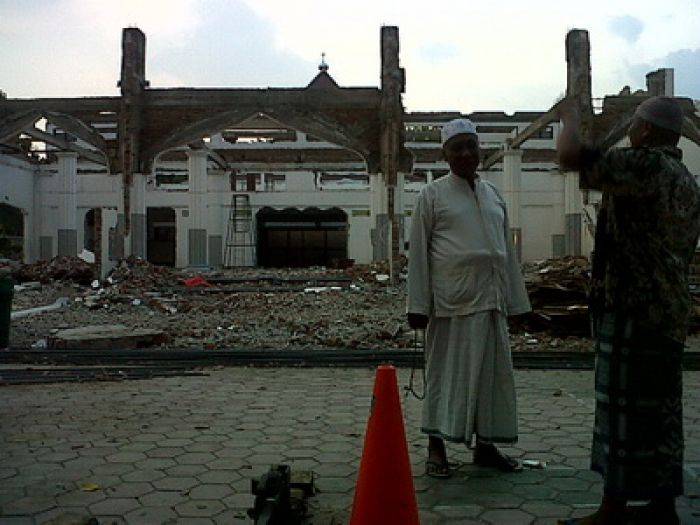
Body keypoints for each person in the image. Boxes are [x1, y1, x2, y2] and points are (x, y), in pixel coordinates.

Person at [557, 96, 700, 525]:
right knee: (661, 412)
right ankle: (662, 507)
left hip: (633, 310)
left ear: (647, 130)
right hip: (669, 311)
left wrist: (568, 115)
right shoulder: (684, 178)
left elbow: (570, 157)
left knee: (620, 412)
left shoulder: (643, 166)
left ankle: (613, 509)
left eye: (634, 123)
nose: (631, 131)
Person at [407, 118, 531, 478]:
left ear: (480, 151)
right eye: (456, 147)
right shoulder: (431, 195)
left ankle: (486, 448)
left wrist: (518, 304)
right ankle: (436, 448)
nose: (465, 153)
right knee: (446, 378)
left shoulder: (493, 195)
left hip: (491, 301)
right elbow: (418, 255)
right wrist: (417, 306)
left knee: (491, 379)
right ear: (444, 154)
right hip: (450, 304)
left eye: (470, 146)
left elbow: (505, 251)